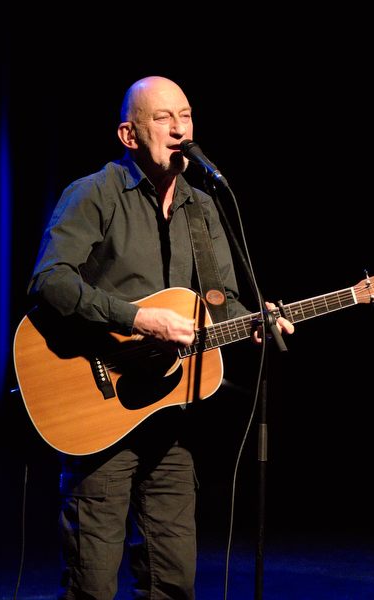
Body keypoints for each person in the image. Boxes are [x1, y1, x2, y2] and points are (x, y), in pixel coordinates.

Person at [28, 75, 293, 599]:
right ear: (129, 134)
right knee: (92, 584)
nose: (179, 130)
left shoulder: (204, 205)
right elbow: (49, 281)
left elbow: (219, 305)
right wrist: (138, 320)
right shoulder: (94, 194)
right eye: (163, 118)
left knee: (173, 578)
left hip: (172, 417)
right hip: (98, 407)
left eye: (187, 116)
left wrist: (255, 318)